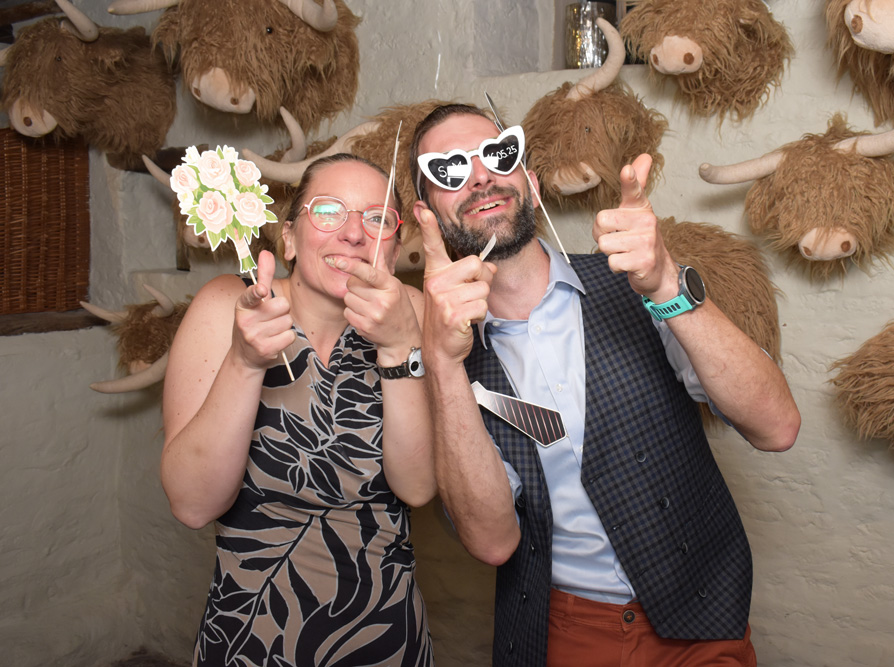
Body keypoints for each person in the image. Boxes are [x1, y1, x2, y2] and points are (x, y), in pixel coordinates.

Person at [409, 104, 801, 667]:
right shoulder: (450, 359)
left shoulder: (636, 282)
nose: (480, 177)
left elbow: (778, 426)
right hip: (563, 632)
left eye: (498, 155)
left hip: (702, 619)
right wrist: (443, 362)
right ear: (428, 214)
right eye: (448, 170)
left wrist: (666, 281)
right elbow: (492, 541)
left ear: (530, 180)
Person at [162, 154, 436, 666]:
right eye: (329, 211)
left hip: (385, 637)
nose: (355, 233)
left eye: (377, 218)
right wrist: (245, 363)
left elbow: (417, 487)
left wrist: (400, 349)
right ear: (287, 238)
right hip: (250, 637)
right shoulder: (224, 307)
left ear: (395, 248)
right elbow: (192, 505)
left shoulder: (412, 316)